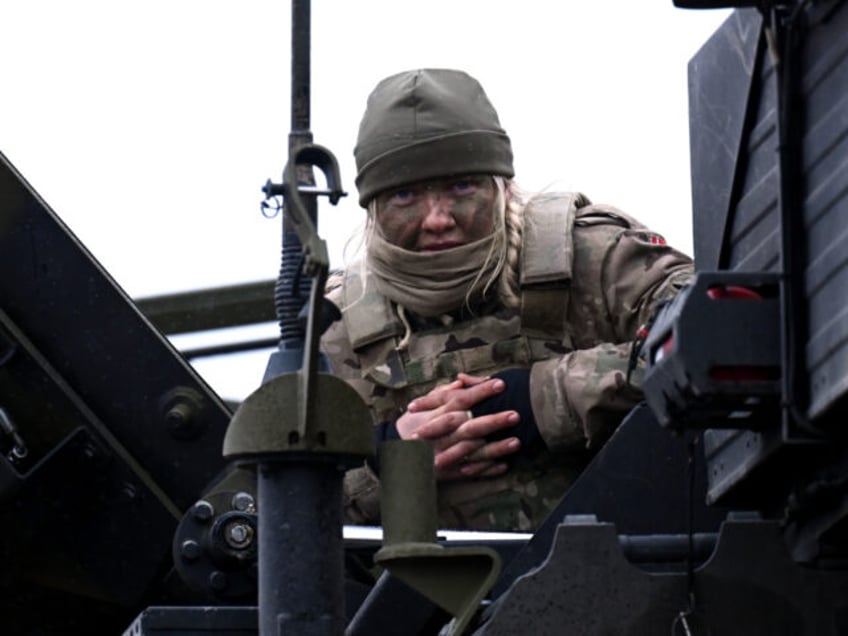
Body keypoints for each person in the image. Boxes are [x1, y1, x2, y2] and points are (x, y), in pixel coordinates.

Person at [320, 68, 693, 532]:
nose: (437, 219)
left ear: (501, 186)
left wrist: (545, 399)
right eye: (405, 195)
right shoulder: (336, 327)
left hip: (626, 577)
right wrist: (389, 461)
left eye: (461, 187)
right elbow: (269, 507)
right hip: (421, 601)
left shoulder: (591, 257)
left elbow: (710, 334)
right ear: (373, 207)